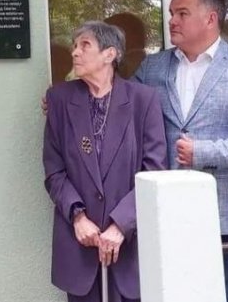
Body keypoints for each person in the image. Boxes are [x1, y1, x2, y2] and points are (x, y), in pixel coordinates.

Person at [132, 0, 228, 302]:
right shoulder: (152, 68)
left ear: (210, 18)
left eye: (182, 13)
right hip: (170, 209)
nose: (172, 21)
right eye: (171, 13)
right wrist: (66, 99)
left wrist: (205, 152)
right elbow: (121, 105)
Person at [43, 21, 167, 302]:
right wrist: (77, 217)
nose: (75, 52)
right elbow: (54, 170)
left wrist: (121, 224)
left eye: (84, 45)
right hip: (80, 245)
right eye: (74, 45)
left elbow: (154, 171)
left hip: (129, 246)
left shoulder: (143, 100)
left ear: (110, 54)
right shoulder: (59, 99)